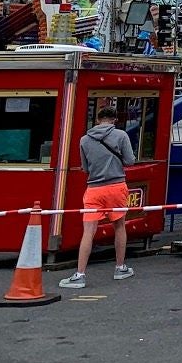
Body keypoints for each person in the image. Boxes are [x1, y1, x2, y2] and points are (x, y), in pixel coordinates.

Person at [59, 105, 136, 288]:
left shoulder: (84, 140)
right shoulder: (121, 136)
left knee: (88, 231)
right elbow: (130, 160)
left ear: (97, 120)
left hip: (94, 188)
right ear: (115, 119)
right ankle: (120, 267)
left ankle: (80, 274)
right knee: (119, 227)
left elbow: (85, 168)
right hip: (116, 186)